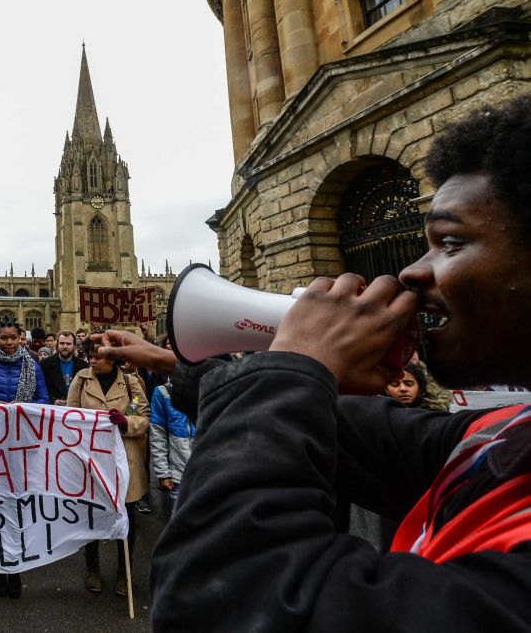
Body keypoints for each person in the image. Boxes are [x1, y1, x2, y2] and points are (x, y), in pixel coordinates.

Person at [100, 99, 531, 631]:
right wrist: (177, 364)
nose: (414, 272)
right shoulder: (502, 439)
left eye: (450, 242)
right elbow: (347, 432)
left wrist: (299, 359)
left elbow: (226, 597)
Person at [0, 317, 49, 599]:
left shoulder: (32, 366)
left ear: (20, 338)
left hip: (19, 445)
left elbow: (43, 400)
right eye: (3, 338)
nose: (8, 343)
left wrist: (22, 408)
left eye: (13, 338)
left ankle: (14, 569)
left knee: (17, 508)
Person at [67, 339, 149, 597]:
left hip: (125, 458)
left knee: (127, 517)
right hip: (93, 460)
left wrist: (127, 422)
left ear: (112, 358)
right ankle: (92, 568)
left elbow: (144, 418)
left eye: (97, 357)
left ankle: (125, 573)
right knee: (92, 516)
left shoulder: (131, 383)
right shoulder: (81, 379)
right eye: (89, 356)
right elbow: (70, 417)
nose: (91, 360)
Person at [148, 374, 195, 513]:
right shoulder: (164, 392)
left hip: (210, 476)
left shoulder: (216, 387)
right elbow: (158, 434)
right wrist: (163, 473)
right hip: (179, 476)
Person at [39, 330, 87, 405]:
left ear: (74, 346)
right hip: (53, 409)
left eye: (68, 344)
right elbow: (41, 388)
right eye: (62, 343)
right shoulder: (45, 364)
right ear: (57, 344)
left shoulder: (83, 365)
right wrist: (53, 400)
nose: (65, 346)